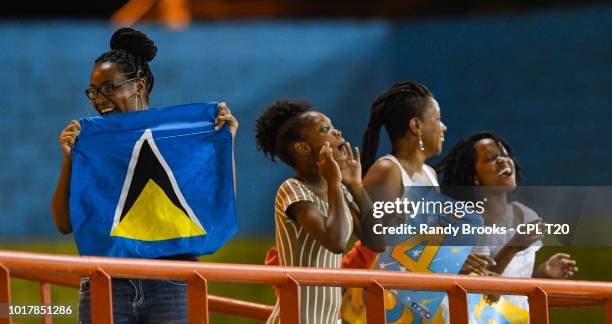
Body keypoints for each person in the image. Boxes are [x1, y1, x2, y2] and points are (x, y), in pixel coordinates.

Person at [50, 27, 238, 324]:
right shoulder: (92, 146)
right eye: (94, 91)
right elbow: (63, 223)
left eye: (110, 87)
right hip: (106, 282)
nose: (99, 99)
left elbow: (213, 206)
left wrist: (223, 143)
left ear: (138, 86)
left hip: (171, 281)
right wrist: (68, 160)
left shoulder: (179, 140)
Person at [255, 99, 384, 324]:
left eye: (333, 127)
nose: (337, 132)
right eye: (325, 129)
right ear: (303, 148)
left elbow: (377, 242)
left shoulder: (339, 190)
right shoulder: (292, 189)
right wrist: (334, 182)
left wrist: (355, 186)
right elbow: (335, 240)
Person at [438, 131, 578, 309]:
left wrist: (544, 272)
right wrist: (512, 247)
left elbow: (518, 284)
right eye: (491, 159)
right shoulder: (468, 223)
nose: (503, 160)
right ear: (474, 177)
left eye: (504, 154)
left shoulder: (526, 214)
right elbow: (481, 292)